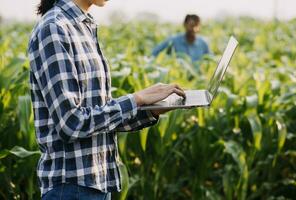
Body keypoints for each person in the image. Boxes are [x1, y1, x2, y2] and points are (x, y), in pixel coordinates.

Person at [28, 0, 186, 199]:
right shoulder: (54, 29)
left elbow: (100, 117)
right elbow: (71, 122)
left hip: (98, 185)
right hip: (71, 188)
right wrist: (136, 99)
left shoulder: (84, 25)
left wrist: (150, 109)